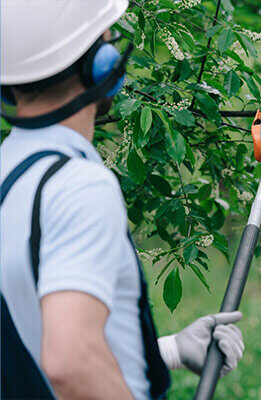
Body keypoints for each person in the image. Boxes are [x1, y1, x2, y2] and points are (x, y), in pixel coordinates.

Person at [0, 1, 244, 399]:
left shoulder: (10, 174)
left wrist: (167, 351)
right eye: (108, 38)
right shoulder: (77, 185)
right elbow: (69, 359)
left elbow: (23, 337)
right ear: (99, 63)